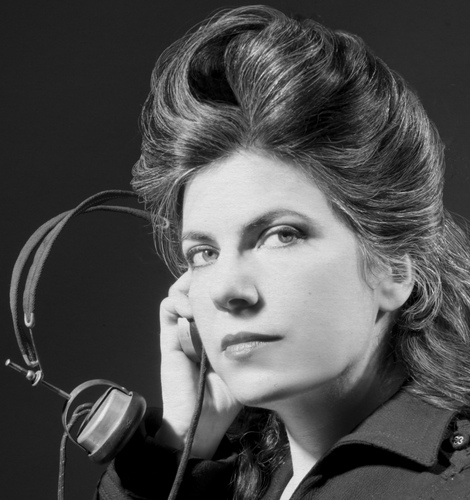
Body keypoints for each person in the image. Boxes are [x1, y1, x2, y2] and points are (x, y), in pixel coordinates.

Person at [96, 5, 470, 499]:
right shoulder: (243, 482)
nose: (227, 291)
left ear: (392, 268)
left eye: (281, 235)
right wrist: (180, 447)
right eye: (204, 253)